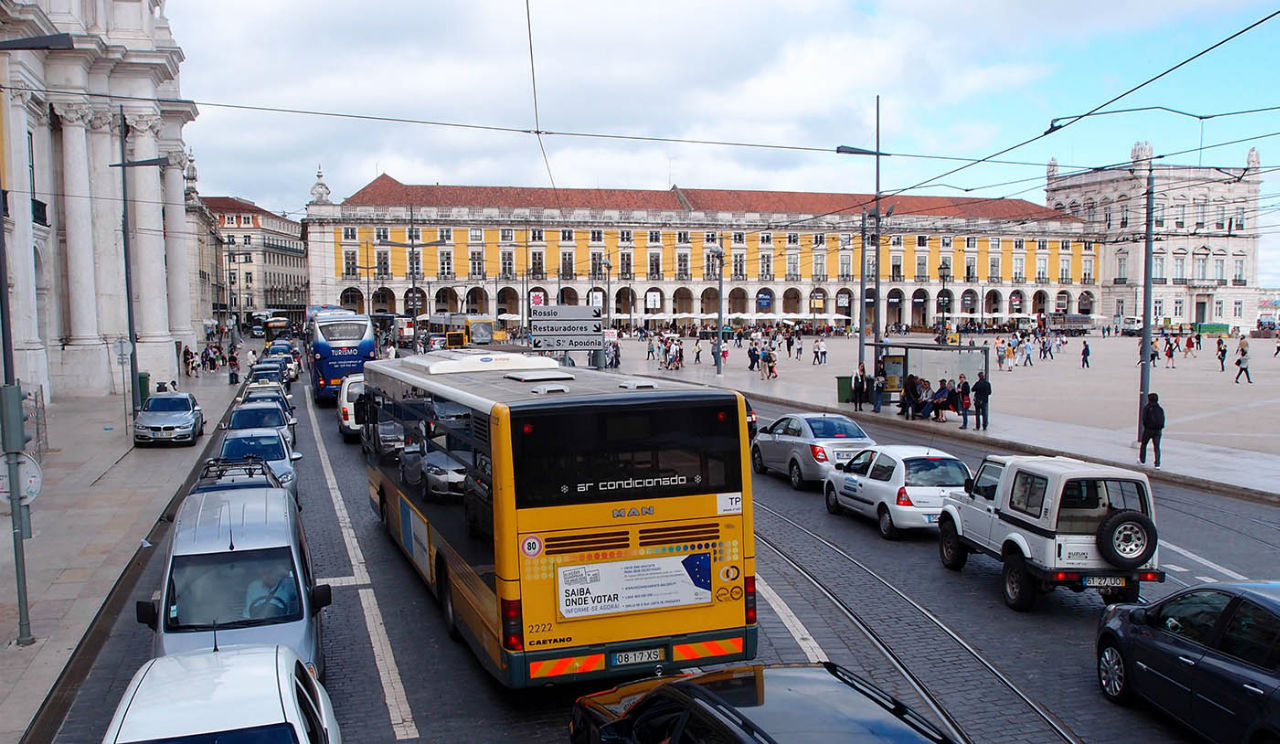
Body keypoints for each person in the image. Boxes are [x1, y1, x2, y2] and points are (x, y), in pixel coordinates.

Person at [1139, 392, 1165, 469]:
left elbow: (1144, 419)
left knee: (1144, 444)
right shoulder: (1160, 408)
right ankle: (1157, 464)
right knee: (1157, 447)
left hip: (1149, 430)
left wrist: (1147, 426)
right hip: (1158, 430)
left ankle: (1142, 460)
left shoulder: (1147, 408)